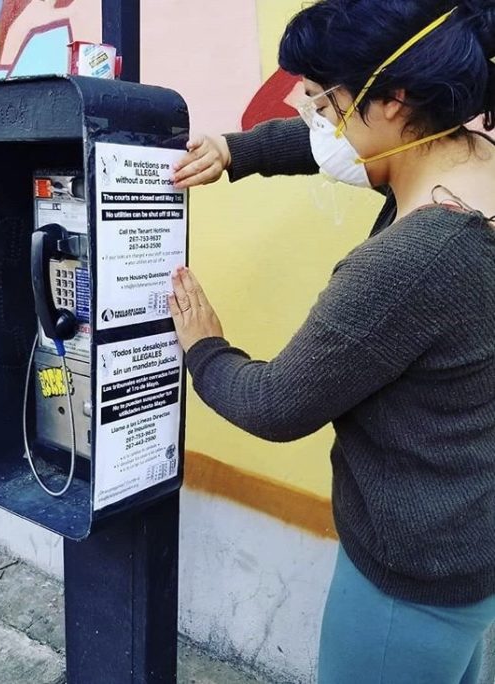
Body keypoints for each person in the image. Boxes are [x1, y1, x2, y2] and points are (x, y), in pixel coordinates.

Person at [168, 1, 495, 682]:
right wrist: (238, 151)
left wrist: (204, 347)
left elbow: (276, 405)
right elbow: (334, 145)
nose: (318, 119)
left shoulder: (417, 261)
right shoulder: (472, 160)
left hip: (409, 582)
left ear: (395, 103)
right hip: (469, 546)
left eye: (326, 102)